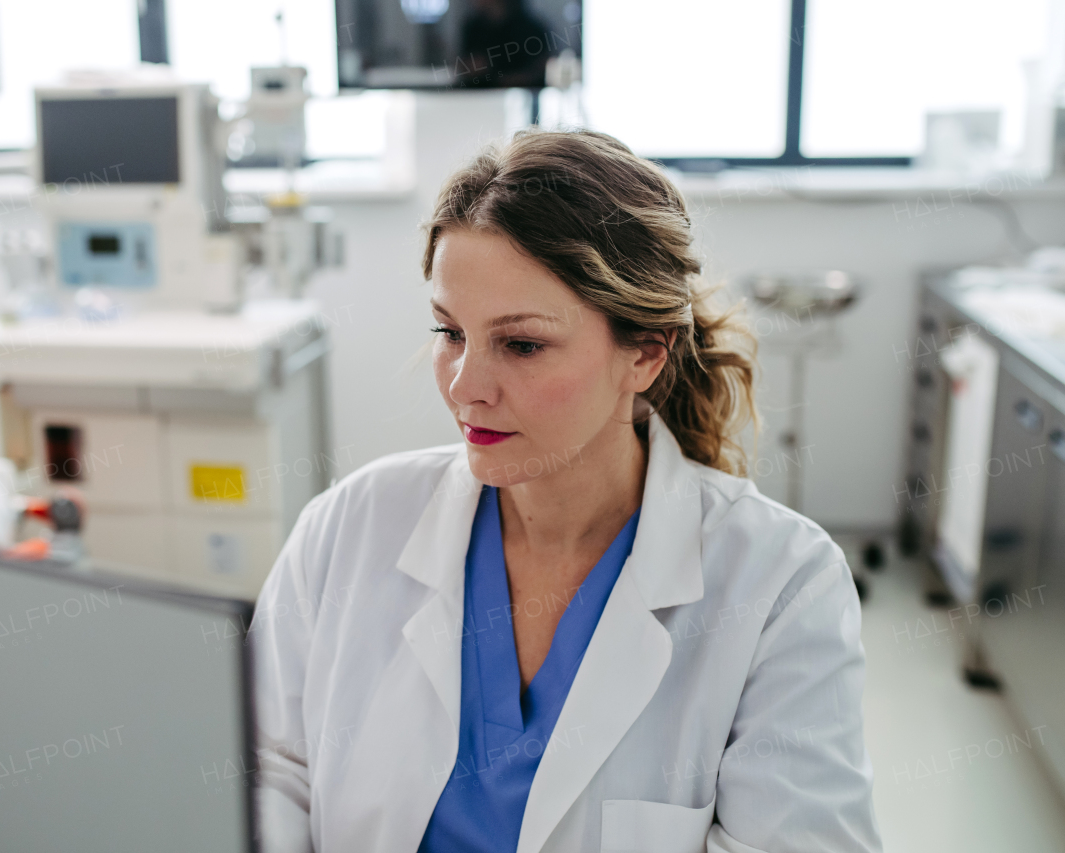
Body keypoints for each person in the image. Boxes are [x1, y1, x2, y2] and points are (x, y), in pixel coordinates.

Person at [249, 128, 882, 853]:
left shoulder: (780, 582)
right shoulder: (349, 526)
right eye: (450, 331)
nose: (465, 386)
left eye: (521, 344)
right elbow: (267, 768)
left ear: (644, 352)